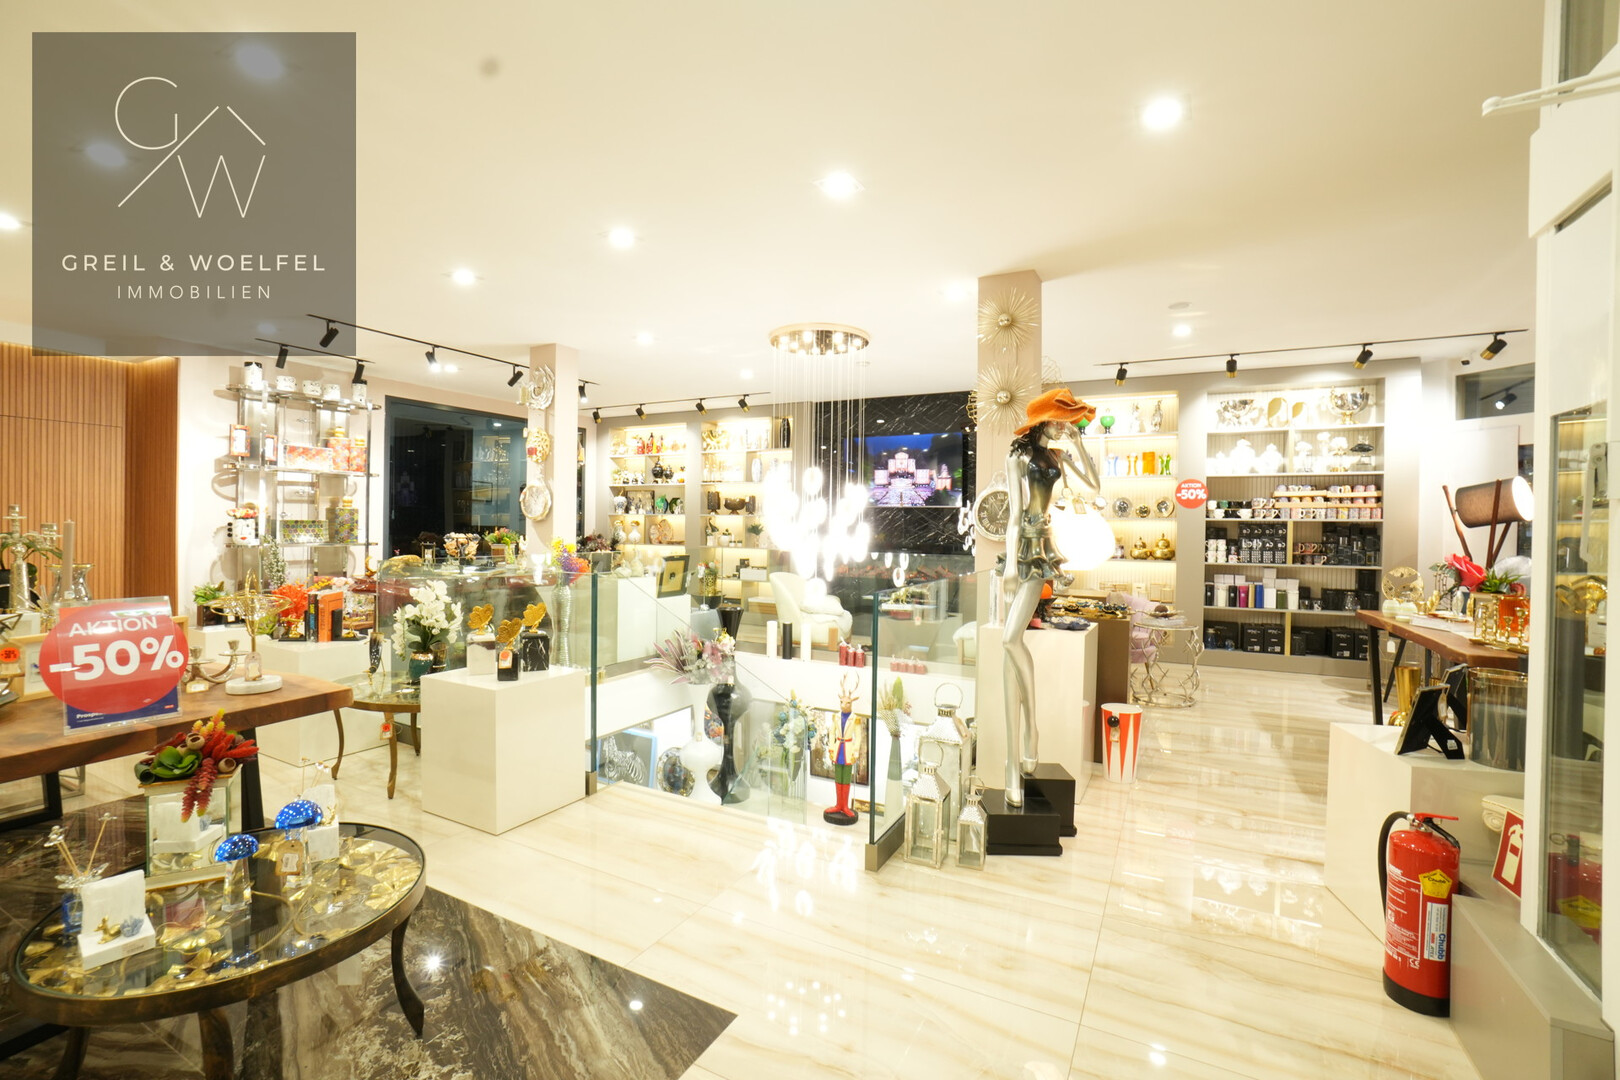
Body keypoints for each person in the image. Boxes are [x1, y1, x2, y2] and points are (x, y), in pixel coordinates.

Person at [1000, 388, 1101, 806]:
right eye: (1060, 419)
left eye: (1067, 420)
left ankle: (1031, 730)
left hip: (1043, 548)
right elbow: (1013, 513)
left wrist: (1079, 441)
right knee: (1008, 647)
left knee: (1010, 640)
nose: (1064, 425)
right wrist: (1009, 565)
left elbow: (1094, 485)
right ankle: (1016, 756)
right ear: (1042, 420)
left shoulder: (1058, 456)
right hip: (1021, 549)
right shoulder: (1018, 456)